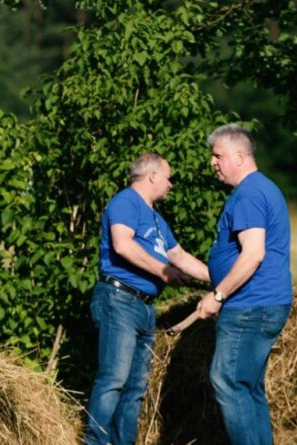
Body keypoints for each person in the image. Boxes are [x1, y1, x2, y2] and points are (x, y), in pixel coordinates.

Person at [84, 153, 210, 445]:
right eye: (168, 177)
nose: (171, 184)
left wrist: (221, 280)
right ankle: (95, 442)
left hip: (143, 307)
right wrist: (164, 271)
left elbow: (179, 256)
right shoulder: (125, 203)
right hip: (119, 299)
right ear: (152, 176)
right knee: (114, 379)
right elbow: (122, 244)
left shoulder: (155, 219)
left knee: (135, 387)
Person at [198, 124, 291, 445]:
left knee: (228, 382)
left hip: (249, 306)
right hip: (263, 304)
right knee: (248, 387)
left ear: (239, 156)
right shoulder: (262, 188)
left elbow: (253, 254)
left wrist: (218, 295)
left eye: (218, 155)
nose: (213, 162)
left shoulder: (250, 194)